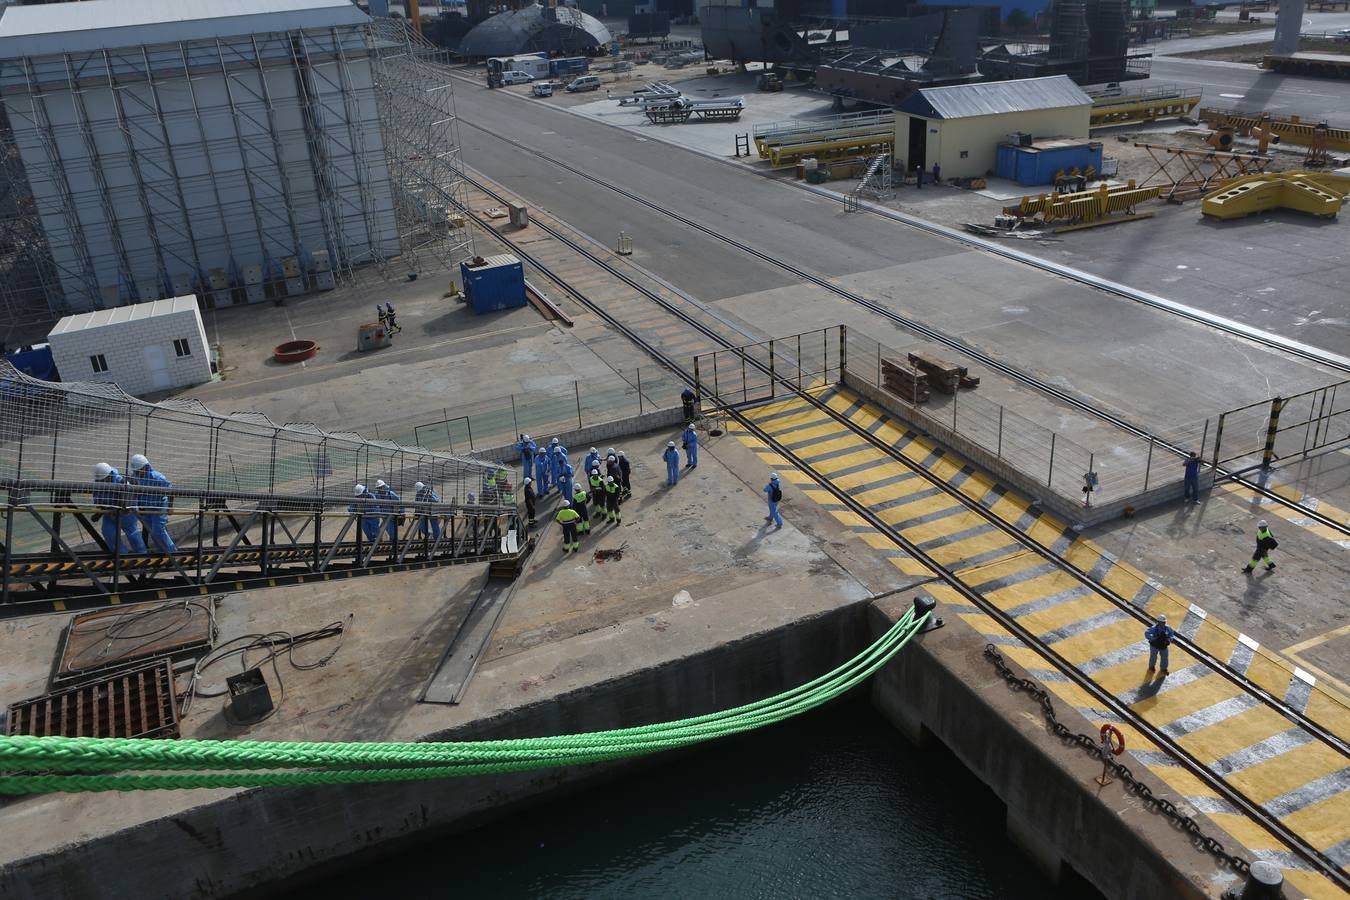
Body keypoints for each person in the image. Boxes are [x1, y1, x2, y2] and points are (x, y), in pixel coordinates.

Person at [92, 462, 147, 555]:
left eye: (104, 479)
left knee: (133, 534)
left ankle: (142, 553)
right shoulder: (98, 483)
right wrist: (99, 511)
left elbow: (126, 502)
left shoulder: (122, 482)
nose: (102, 482)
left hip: (127, 513)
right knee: (109, 533)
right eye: (101, 480)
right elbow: (97, 498)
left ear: (109, 475)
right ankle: (121, 555)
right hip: (110, 514)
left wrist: (109, 509)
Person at [128, 454, 176, 553]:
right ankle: (162, 551)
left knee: (158, 531)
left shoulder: (157, 478)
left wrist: (170, 507)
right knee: (152, 532)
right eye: (135, 471)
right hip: (147, 507)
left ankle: (172, 551)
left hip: (159, 506)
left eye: (138, 470)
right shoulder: (135, 478)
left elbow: (172, 491)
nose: (136, 472)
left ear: (145, 467)